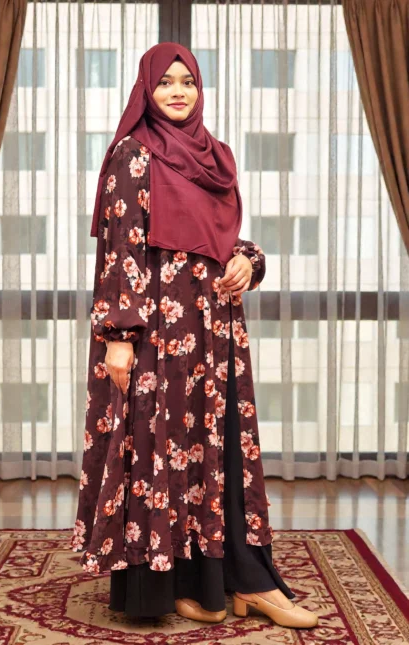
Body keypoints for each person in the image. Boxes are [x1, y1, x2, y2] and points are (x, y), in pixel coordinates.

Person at [71, 42, 318, 630]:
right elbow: (123, 248)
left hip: (216, 328)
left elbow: (220, 238)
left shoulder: (217, 156)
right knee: (158, 448)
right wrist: (119, 335)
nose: (178, 92)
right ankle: (177, 584)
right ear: (146, 90)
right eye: (165, 82)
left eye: (188, 81)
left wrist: (249, 260)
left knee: (219, 450)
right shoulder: (132, 156)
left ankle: (238, 580)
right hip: (157, 331)